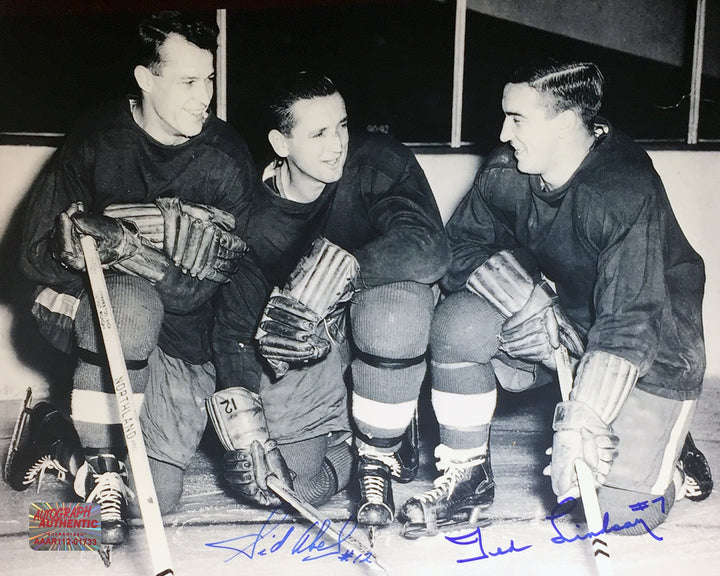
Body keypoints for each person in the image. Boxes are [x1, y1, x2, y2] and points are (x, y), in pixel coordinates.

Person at [397, 58, 713, 538]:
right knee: (459, 323)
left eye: (517, 118)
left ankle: (671, 445)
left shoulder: (622, 187)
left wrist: (582, 422)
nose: (503, 133)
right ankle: (467, 473)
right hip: (566, 314)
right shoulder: (509, 170)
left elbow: (630, 322)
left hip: (655, 334)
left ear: (566, 123)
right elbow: (457, 246)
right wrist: (527, 299)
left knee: (617, 516)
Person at [14, 11, 258, 547]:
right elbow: (28, 258)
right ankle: (99, 462)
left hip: (181, 332)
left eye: (210, 79)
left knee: (153, 502)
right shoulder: (97, 138)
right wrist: (72, 248)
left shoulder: (226, 158)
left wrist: (126, 246)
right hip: (87, 312)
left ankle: (56, 435)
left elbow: (201, 295)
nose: (205, 97)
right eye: (188, 82)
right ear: (145, 79)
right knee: (131, 306)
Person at [209, 71, 450, 522]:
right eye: (318, 133)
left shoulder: (376, 160)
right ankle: (353, 445)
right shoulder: (254, 215)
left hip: (377, 320)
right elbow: (235, 332)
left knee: (391, 309)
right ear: (281, 144)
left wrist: (334, 278)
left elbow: (429, 249)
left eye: (341, 125)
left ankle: (386, 417)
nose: (337, 143)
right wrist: (251, 438)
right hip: (312, 349)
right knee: (286, 481)